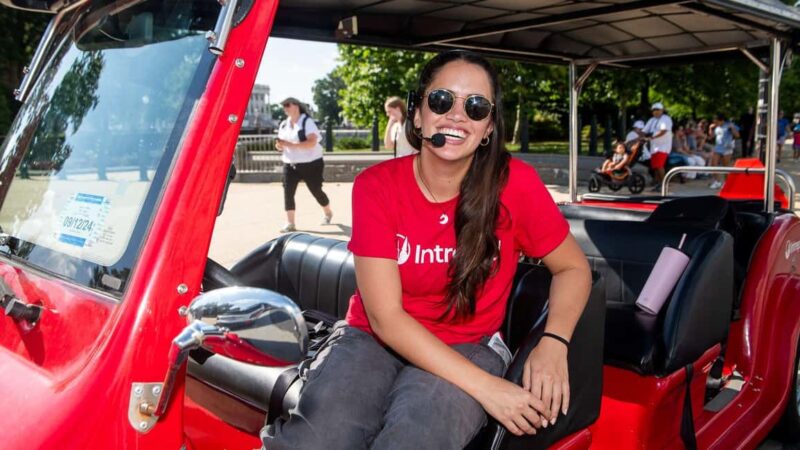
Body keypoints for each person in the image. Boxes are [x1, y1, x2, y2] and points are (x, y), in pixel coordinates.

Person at [262, 50, 592, 449]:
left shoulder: (515, 185)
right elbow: (386, 319)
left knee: (415, 439)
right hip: (373, 337)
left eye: (475, 107)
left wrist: (554, 342)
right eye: (441, 101)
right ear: (417, 115)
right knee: (316, 440)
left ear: (488, 127)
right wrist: (489, 389)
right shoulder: (377, 186)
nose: (456, 115)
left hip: (468, 342)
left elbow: (573, 268)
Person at [275, 97, 333, 232]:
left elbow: (312, 142)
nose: (285, 108)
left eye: (287, 105)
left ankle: (328, 212)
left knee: (316, 190)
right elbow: (280, 145)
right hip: (290, 163)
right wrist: (279, 145)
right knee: (288, 192)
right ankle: (290, 223)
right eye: (284, 106)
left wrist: (290, 145)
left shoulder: (307, 122)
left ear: (296, 106)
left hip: (311, 163)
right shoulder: (284, 124)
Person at [642, 102, 673, 191]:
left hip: (663, 146)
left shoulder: (666, 119)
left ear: (662, 110)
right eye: (654, 110)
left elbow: (663, 131)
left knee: (659, 166)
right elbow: (644, 130)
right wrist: (640, 136)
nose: (655, 112)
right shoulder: (652, 120)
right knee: (656, 166)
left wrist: (651, 137)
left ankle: (664, 184)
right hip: (654, 146)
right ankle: (659, 184)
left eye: (657, 110)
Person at [708, 113, 740, 190]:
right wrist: (710, 128)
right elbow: (711, 137)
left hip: (727, 148)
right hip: (718, 147)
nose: (715, 123)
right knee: (713, 164)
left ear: (721, 120)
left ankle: (727, 183)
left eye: (716, 121)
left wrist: (732, 128)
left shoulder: (729, 125)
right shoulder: (716, 127)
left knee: (725, 166)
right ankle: (717, 181)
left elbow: (737, 135)